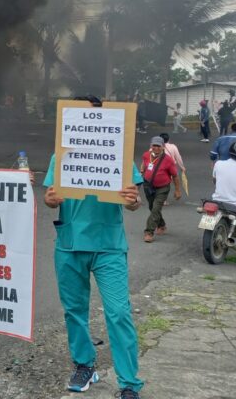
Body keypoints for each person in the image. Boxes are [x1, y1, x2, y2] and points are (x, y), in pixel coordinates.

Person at [43, 100, 145, 399]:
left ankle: (129, 383)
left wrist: (132, 200)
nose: (88, 120)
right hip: (70, 244)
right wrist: (51, 199)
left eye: (94, 115)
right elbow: (51, 198)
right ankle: (84, 365)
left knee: (118, 313)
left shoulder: (121, 157)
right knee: (74, 311)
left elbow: (134, 201)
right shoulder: (59, 157)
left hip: (108, 247)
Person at [140, 136, 181, 243]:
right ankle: (161, 225)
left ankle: (149, 232)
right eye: (154, 145)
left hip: (162, 188)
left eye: (159, 146)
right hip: (148, 186)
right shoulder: (146, 155)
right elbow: (144, 165)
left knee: (156, 208)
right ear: (151, 146)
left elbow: (175, 176)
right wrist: (142, 171)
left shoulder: (168, 160)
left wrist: (177, 190)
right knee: (152, 207)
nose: (156, 148)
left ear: (163, 147)